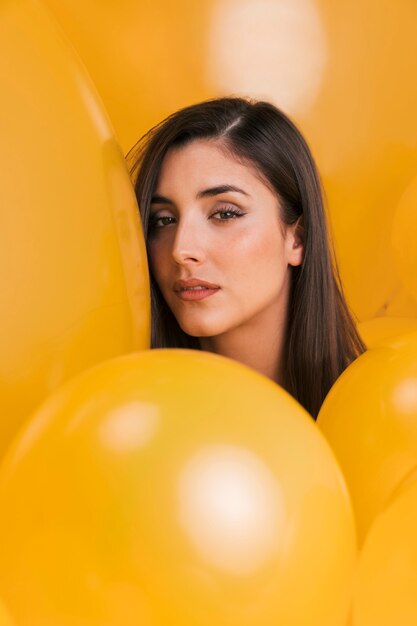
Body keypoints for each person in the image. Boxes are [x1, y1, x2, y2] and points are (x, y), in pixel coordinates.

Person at [127, 96, 366, 419]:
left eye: (224, 213)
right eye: (164, 220)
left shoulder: (373, 410)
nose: (181, 250)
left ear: (299, 238)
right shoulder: (133, 420)